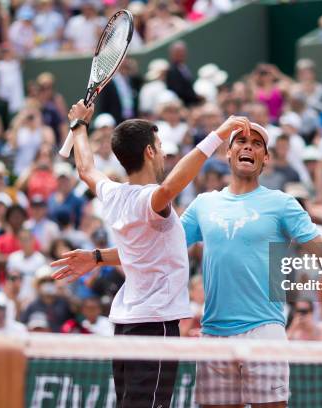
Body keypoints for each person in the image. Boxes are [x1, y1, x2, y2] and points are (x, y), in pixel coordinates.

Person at [54, 113, 322, 408]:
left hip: (264, 331)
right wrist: (99, 257)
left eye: (257, 144)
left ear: (266, 158)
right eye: (241, 140)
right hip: (213, 335)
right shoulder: (203, 204)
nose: (248, 146)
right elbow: (158, 248)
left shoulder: (283, 204)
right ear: (228, 153)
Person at [52, 99, 250, 408]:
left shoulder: (113, 193)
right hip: (154, 325)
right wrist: (218, 135)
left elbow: (86, 169)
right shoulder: (150, 199)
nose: (162, 152)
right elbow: (170, 187)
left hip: (125, 324)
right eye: (158, 145)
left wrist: (79, 126)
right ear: (149, 151)